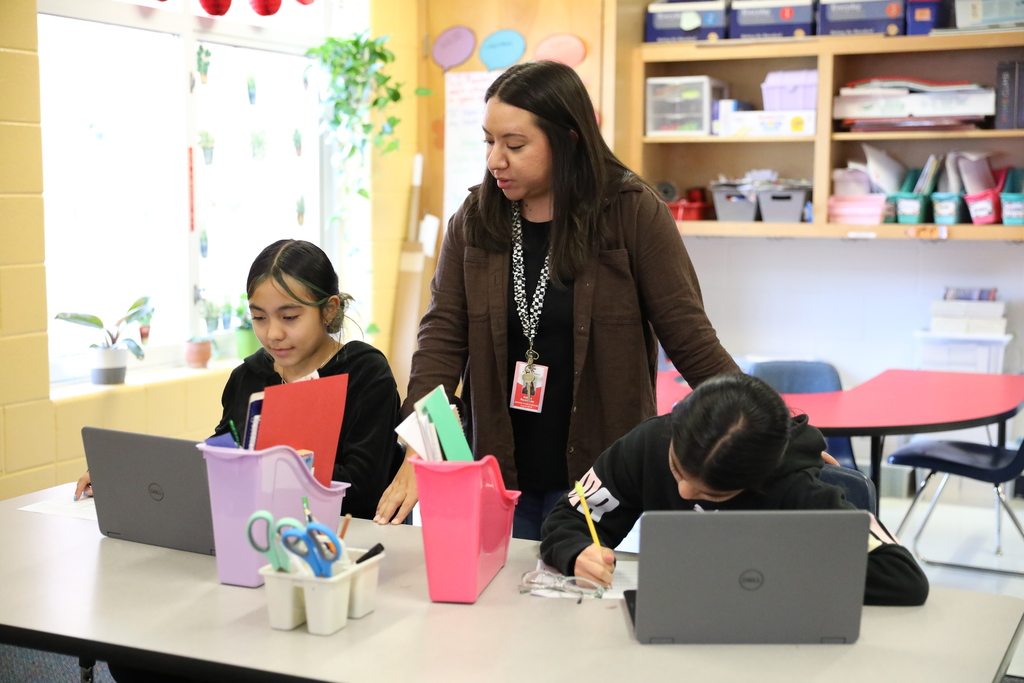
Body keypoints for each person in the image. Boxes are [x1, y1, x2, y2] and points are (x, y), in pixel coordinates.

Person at [374, 60, 739, 538]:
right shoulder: (475, 220)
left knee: (585, 605)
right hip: (500, 475)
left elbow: (689, 336)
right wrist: (422, 443)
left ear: (568, 139)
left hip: (603, 480)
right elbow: (441, 338)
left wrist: (773, 429)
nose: (495, 160)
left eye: (515, 144)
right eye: (489, 141)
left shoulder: (630, 213)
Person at [76, 239, 403, 521]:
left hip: (344, 540)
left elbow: (363, 491)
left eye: (290, 317)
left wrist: (266, 465)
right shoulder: (249, 377)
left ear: (329, 310)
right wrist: (126, 477)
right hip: (263, 535)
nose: (273, 333)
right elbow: (220, 456)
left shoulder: (365, 374)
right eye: (259, 317)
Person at [540, 373, 930, 607]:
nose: (686, 492)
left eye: (713, 494)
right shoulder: (648, 443)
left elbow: (902, 577)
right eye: (677, 469)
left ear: (759, 477)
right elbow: (572, 517)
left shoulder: (796, 487)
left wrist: (759, 572)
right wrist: (578, 552)